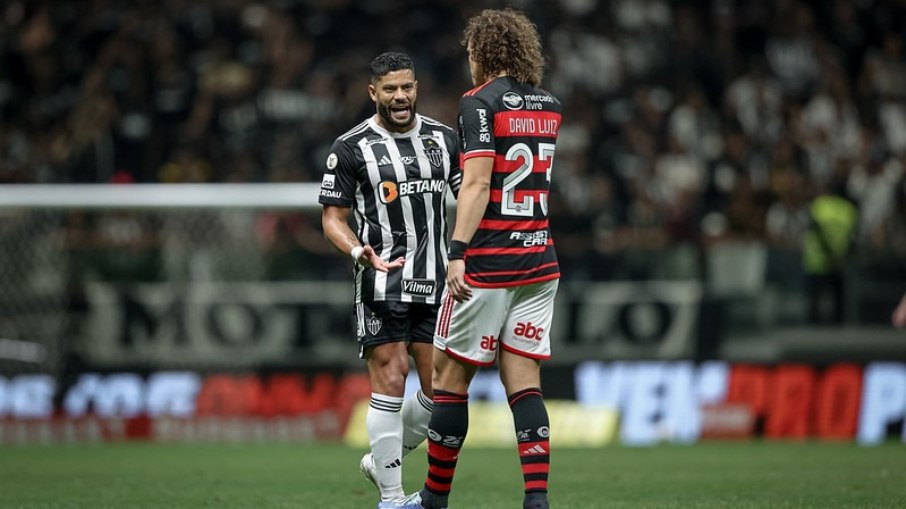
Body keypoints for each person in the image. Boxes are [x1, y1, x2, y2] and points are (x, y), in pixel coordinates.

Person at [402, 9, 561, 509]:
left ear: (482, 53)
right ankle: (536, 499)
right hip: (539, 259)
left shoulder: (478, 103)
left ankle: (433, 499)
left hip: (489, 261)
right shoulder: (549, 104)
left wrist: (456, 253)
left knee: (449, 379)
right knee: (525, 382)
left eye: (471, 52)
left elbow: (476, 182)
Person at [319, 51, 461, 509]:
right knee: (390, 377)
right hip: (381, 280)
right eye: (391, 89)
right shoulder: (350, 147)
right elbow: (332, 219)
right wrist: (359, 250)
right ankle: (393, 498)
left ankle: (384, 459)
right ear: (373, 92)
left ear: (416, 87)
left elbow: (471, 196)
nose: (401, 97)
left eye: (408, 87)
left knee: (442, 390)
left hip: (438, 279)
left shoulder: (444, 139)